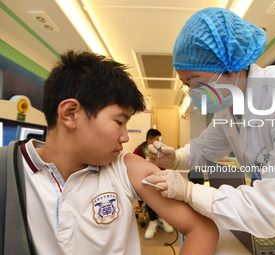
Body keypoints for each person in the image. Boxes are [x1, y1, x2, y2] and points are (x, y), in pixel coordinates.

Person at [145, 7, 275, 254]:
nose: (194, 94)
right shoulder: (230, 106)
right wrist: (176, 158)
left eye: (197, 82)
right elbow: (205, 147)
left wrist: (190, 192)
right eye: (187, 86)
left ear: (232, 66)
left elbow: (274, 209)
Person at [0, 50, 219, 255]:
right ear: (70, 114)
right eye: (119, 121)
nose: (125, 136)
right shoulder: (7, 169)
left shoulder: (125, 168)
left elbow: (202, 229)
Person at [133, 129, 174, 239]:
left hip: (157, 181)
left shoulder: (159, 151)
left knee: (165, 190)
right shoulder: (138, 151)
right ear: (149, 140)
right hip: (144, 183)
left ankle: (160, 218)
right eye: (157, 139)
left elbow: (162, 167)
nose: (159, 142)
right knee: (151, 191)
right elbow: (134, 170)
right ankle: (153, 221)